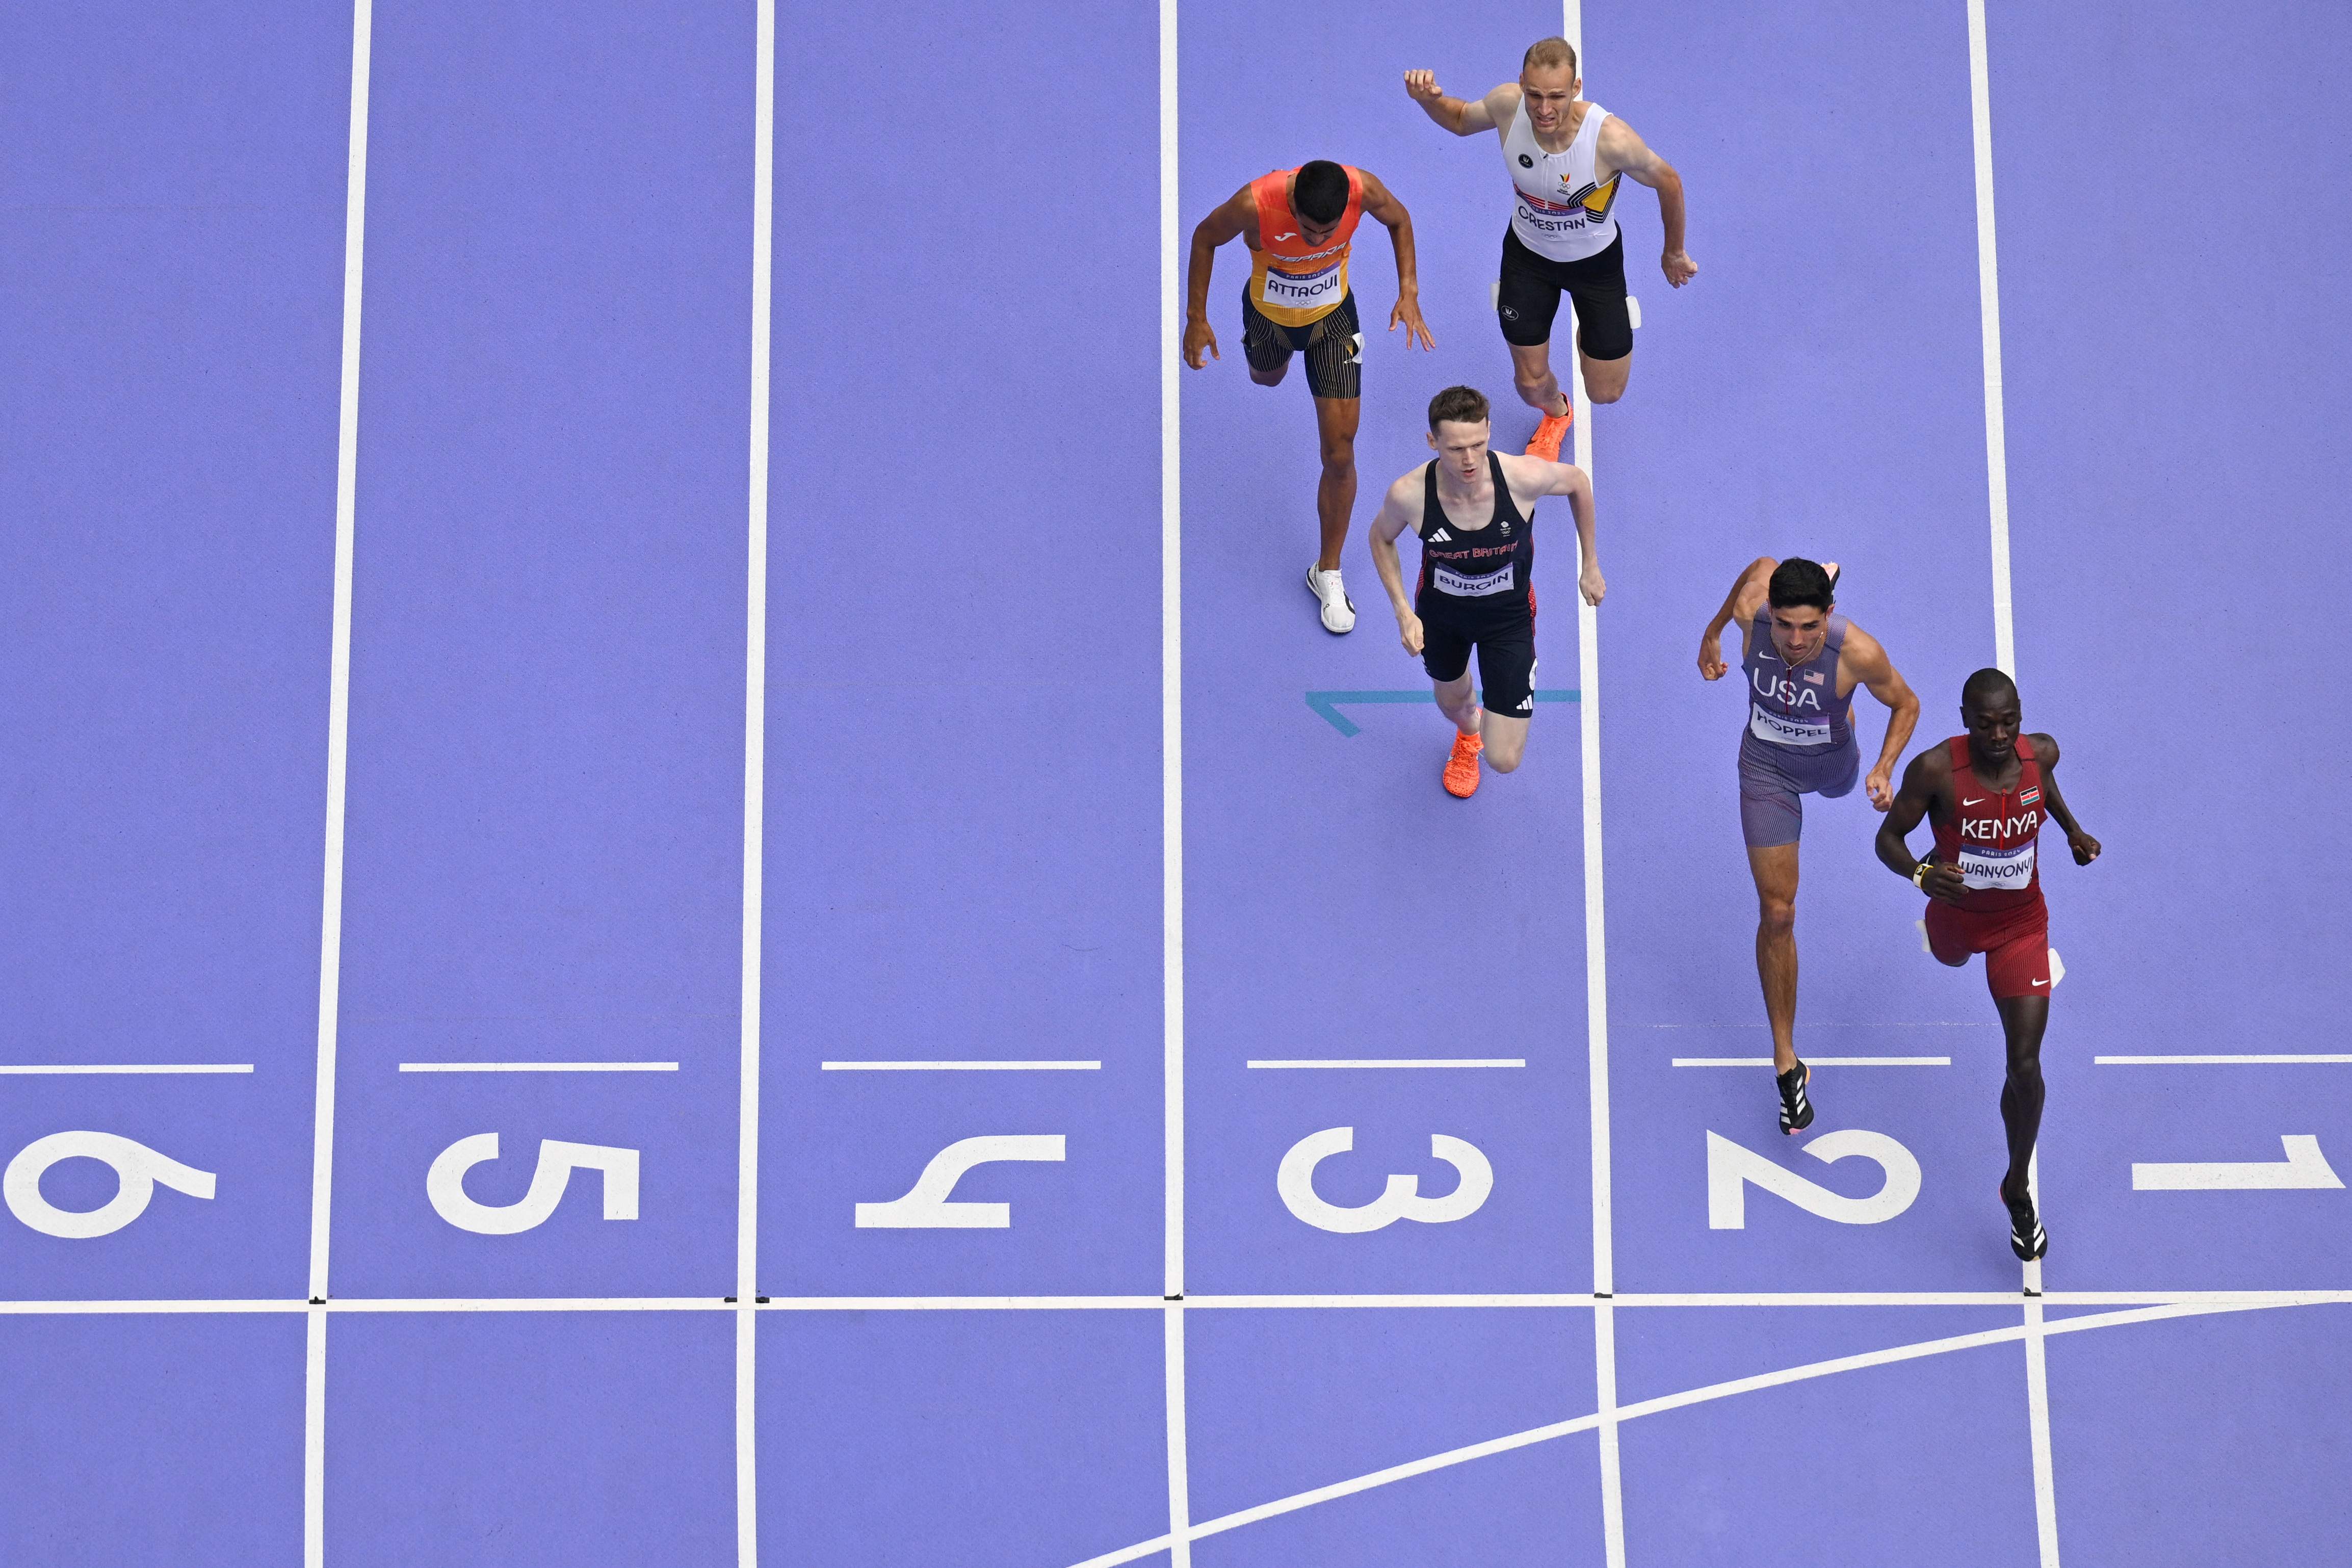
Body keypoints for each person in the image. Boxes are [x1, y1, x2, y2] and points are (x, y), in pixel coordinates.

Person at [1875, 668, 2101, 1262]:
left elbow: (2043, 784)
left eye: (2010, 722)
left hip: (2022, 924)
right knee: (1949, 958)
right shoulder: (1933, 770)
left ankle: (2017, 1185)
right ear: (1965, 720)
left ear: (2021, 717)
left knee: (2025, 1065)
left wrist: (2073, 831)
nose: (1999, 734)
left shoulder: (2041, 753)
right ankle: (1940, 881)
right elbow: (1887, 840)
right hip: (1957, 916)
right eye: (1985, 724)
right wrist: (1923, 874)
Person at [1698, 557, 1919, 1135]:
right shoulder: (1754, 611)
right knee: (1778, 912)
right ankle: (1786, 1064)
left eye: (1809, 627)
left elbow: (1907, 703)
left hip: (1835, 767)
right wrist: (1714, 629)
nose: (1794, 641)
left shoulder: (1857, 652)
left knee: (1841, 771)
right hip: (1766, 768)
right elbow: (1756, 572)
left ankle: (1828, 600)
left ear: (1830, 614)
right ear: (1769, 611)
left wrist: (1884, 767)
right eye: (1784, 625)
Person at [1403, 37, 1694, 461]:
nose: (1544, 109)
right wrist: (1428, 100)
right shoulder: (1507, 105)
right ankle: (1557, 414)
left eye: (1556, 96)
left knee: (1606, 391)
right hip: (1528, 260)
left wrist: (1673, 252)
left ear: (1576, 88)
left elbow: (1669, 181)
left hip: (1595, 268)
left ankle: (1590, 327)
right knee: (1529, 385)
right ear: (1521, 84)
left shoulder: (1610, 139)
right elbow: (1462, 119)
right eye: (1535, 95)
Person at [1184, 159, 1435, 633]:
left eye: (1328, 232)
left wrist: (1409, 290)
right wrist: (1196, 317)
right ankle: (1270, 357)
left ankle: (1329, 570)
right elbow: (1204, 237)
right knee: (1267, 379)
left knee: (1340, 453)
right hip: (1268, 319)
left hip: (1334, 322)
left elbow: (1400, 219)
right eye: (1307, 230)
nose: (1317, 241)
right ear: (1293, 202)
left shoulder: (1364, 188)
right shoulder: (1254, 202)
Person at [1366, 384, 1602, 798]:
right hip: (1441, 617)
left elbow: (1579, 483)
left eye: (1478, 443)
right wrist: (1404, 611)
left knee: (1504, 759)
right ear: (1432, 441)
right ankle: (1467, 735)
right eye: (1456, 449)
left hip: (1507, 618)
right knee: (1453, 701)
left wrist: (1591, 564)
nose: (1470, 459)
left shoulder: (1522, 477)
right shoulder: (1409, 494)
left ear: (1490, 431)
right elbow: (1380, 538)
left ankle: (1495, 712)